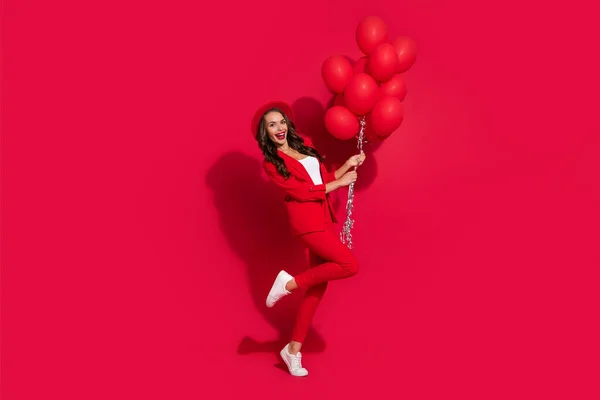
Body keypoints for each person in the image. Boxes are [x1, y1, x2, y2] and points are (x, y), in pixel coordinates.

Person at [251, 101, 365, 377]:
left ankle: (292, 351)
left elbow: (323, 180)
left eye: (281, 122)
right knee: (349, 265)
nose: (279, 128)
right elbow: (301, 192)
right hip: (307, 224)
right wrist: (337, 184)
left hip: (324, 219)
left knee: (317, 289)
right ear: (265, 134)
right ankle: (289, 283)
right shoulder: (272, 164)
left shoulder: (304, 147)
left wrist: (346, 166)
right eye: (271, 125)